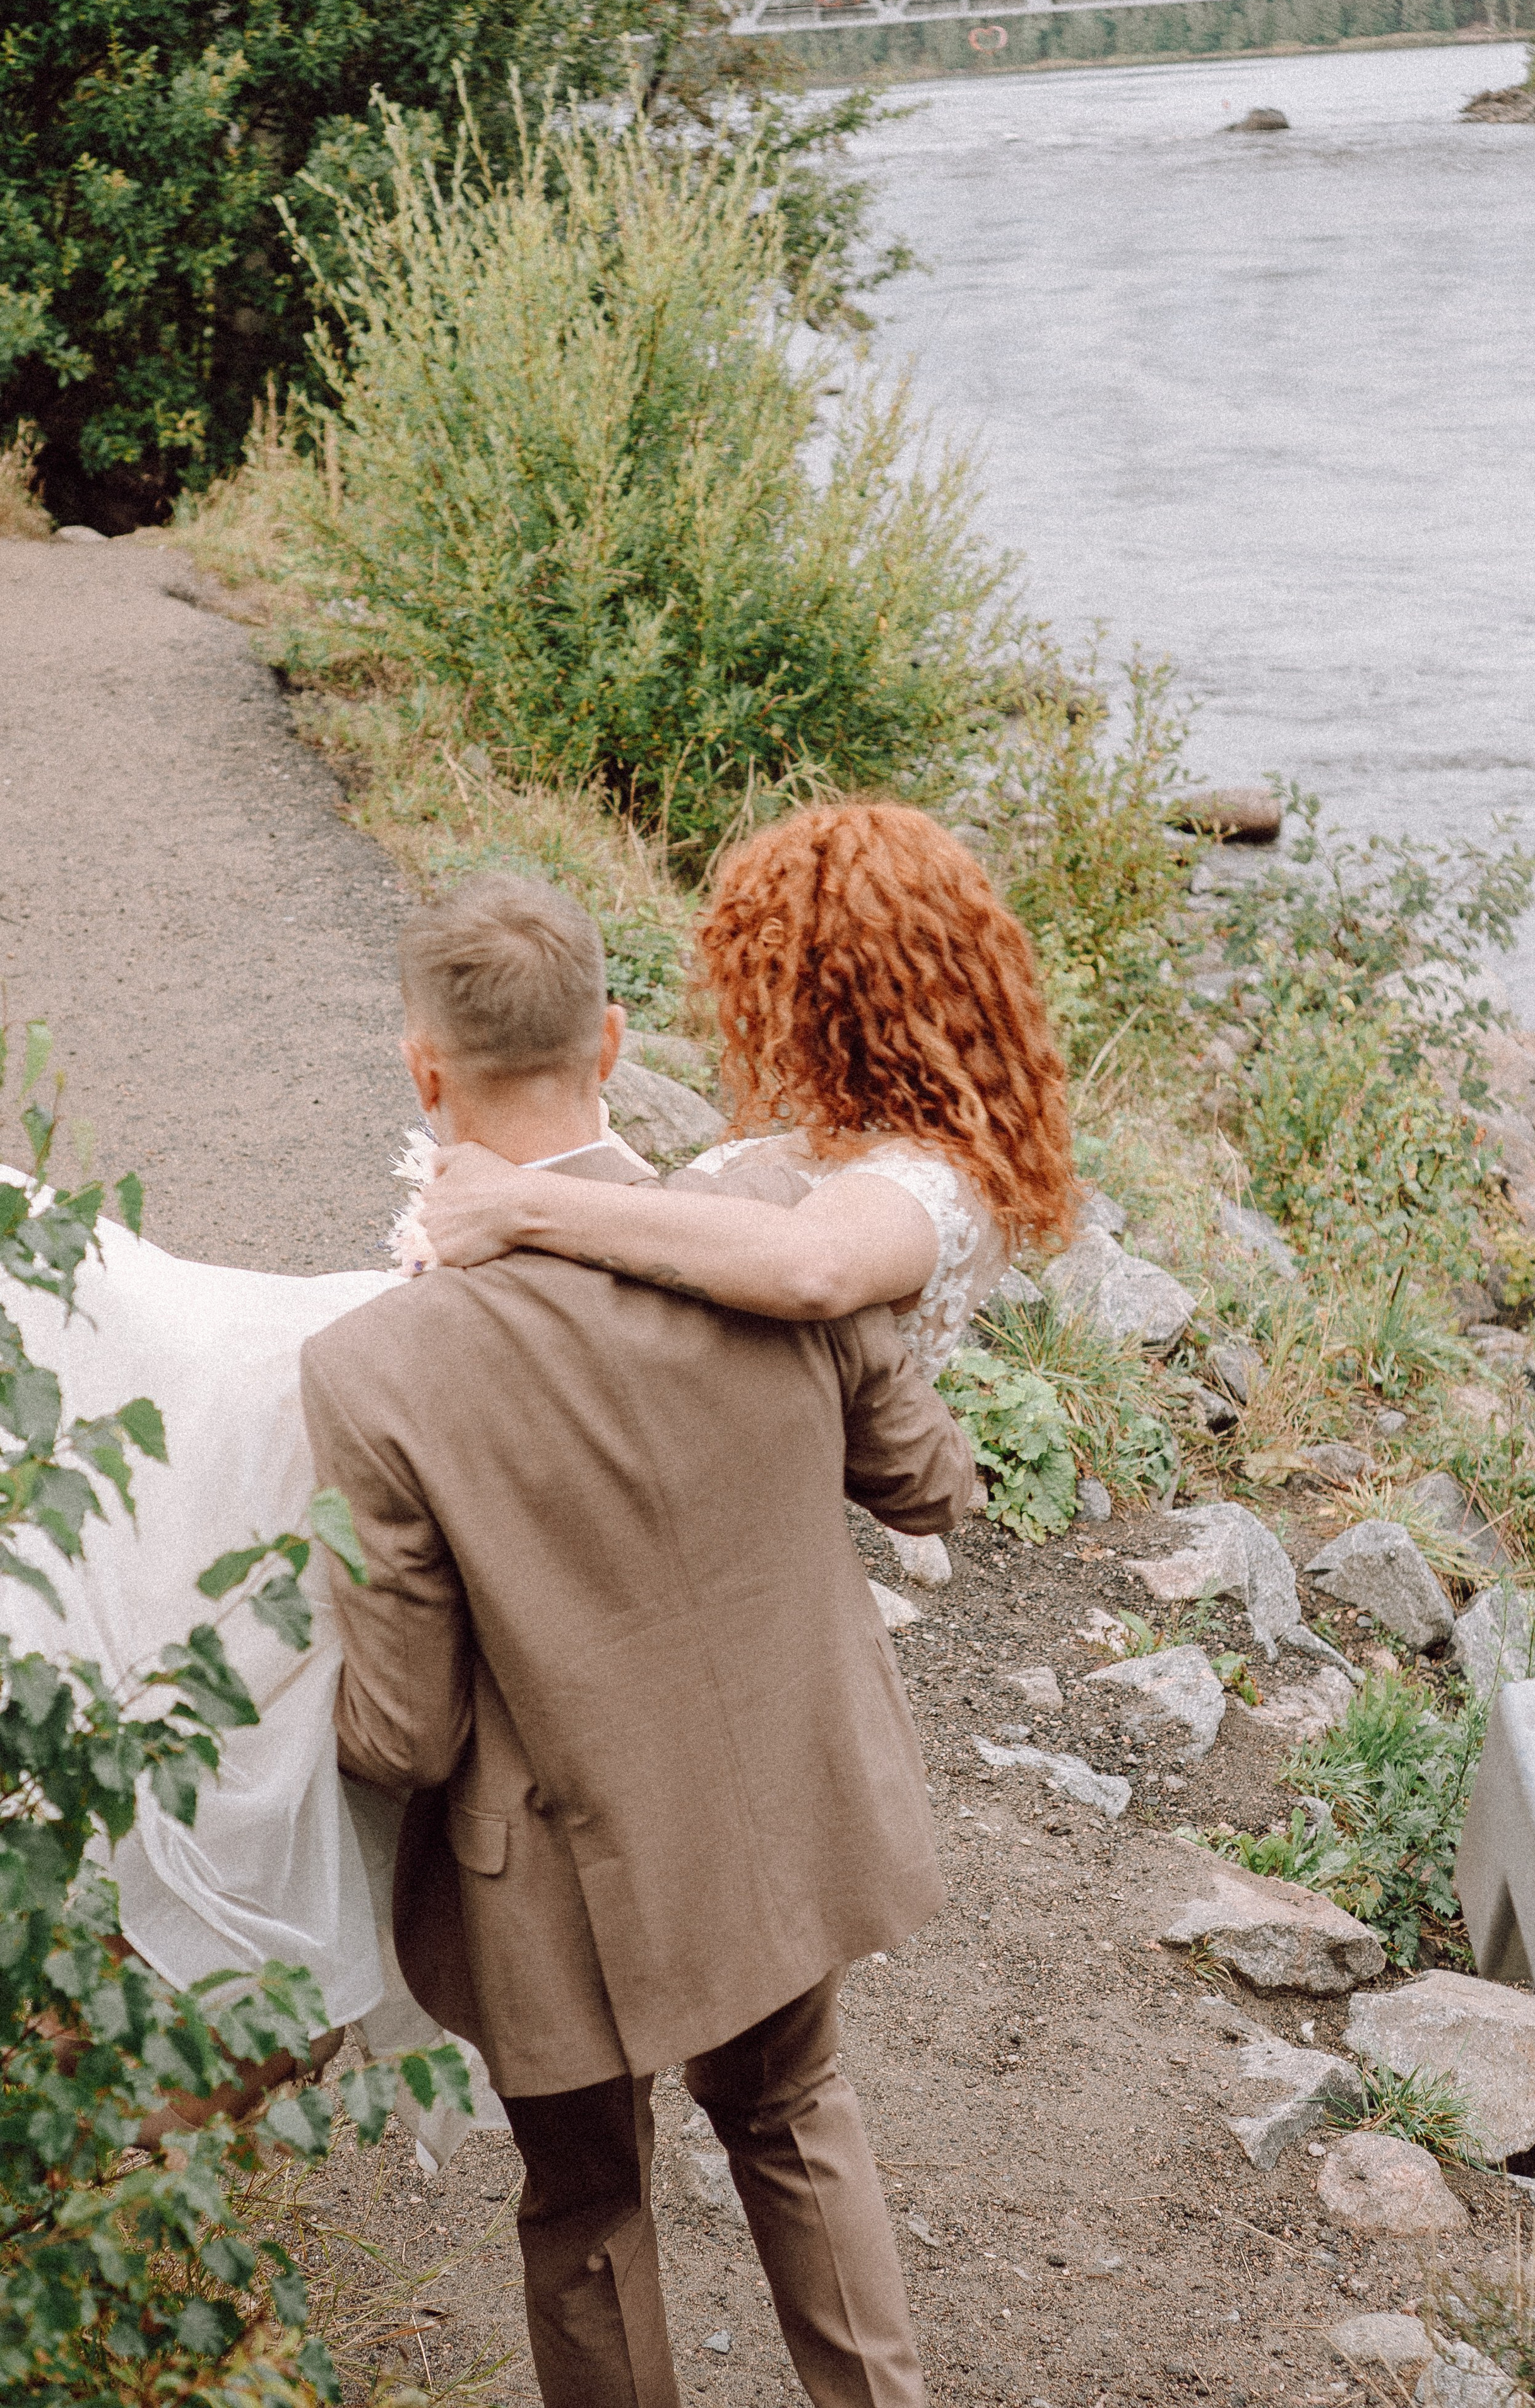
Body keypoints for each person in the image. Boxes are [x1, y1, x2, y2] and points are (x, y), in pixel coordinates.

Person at [300, 871, 976, 2408]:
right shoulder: (776, 1236)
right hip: (777, 1811)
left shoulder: (371, 1368)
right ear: (608, 1040)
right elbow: (928, 1485)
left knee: (587, 2204)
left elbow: (403, 1731)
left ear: (422, 1071)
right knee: (792, 2111)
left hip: (559, 1886)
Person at [417, 803, 1077, 1384]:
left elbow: (813, 1269)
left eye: (769, 983)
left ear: (832, 1003)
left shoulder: (936, 1182)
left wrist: (521, 1200)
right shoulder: (868, 1139)